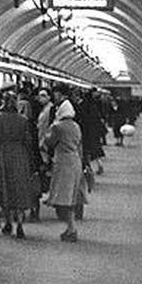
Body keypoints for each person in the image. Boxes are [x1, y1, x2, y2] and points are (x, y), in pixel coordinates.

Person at [0, 91, 36, 239]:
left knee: (4, 187)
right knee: (19, 188)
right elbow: (28, 140)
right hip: (19, 156)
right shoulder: (23, 119)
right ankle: (20, 225)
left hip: (2, 156)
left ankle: (8, 222)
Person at [44, 86, 86, 242]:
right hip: (76, 161)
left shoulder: (57, 127)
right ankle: (70, 227)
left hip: (63, 162)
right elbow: (80, 144)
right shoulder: (76, 126)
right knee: (72, 195)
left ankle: (71, 228)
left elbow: (49, 143)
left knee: (64, 197)